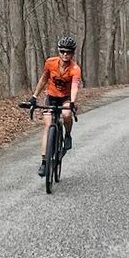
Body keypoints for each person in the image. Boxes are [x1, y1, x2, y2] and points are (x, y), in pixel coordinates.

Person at [31, 36, 82, 176]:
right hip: (52, 96)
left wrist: (72, 102)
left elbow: (75, 86)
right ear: (59, 51)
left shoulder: (75, 69)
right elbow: (43, 79)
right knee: (48, 125)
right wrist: (34, 96)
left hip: (66, 98)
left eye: (68, 52)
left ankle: (68, 135)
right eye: (62, 51)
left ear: (72, 53)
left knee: (66, 114)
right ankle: (44, 162)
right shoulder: (50, 62)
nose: (65, 54)